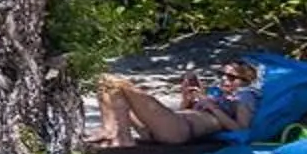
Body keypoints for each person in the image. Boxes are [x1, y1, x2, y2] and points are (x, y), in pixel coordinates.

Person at [97, 60, 258, 146]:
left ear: (245, 81)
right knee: (105, 82)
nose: (224, 79)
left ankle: (119, 136)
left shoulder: (245, 96)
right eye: (221, 74)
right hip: (168, 126)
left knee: (115, 83)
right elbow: (187, 112)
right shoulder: (217, 94)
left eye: (231, 77)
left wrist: (211, 106)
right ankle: (114, 132)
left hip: (179, 130)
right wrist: (186, 100)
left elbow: (241, 129)